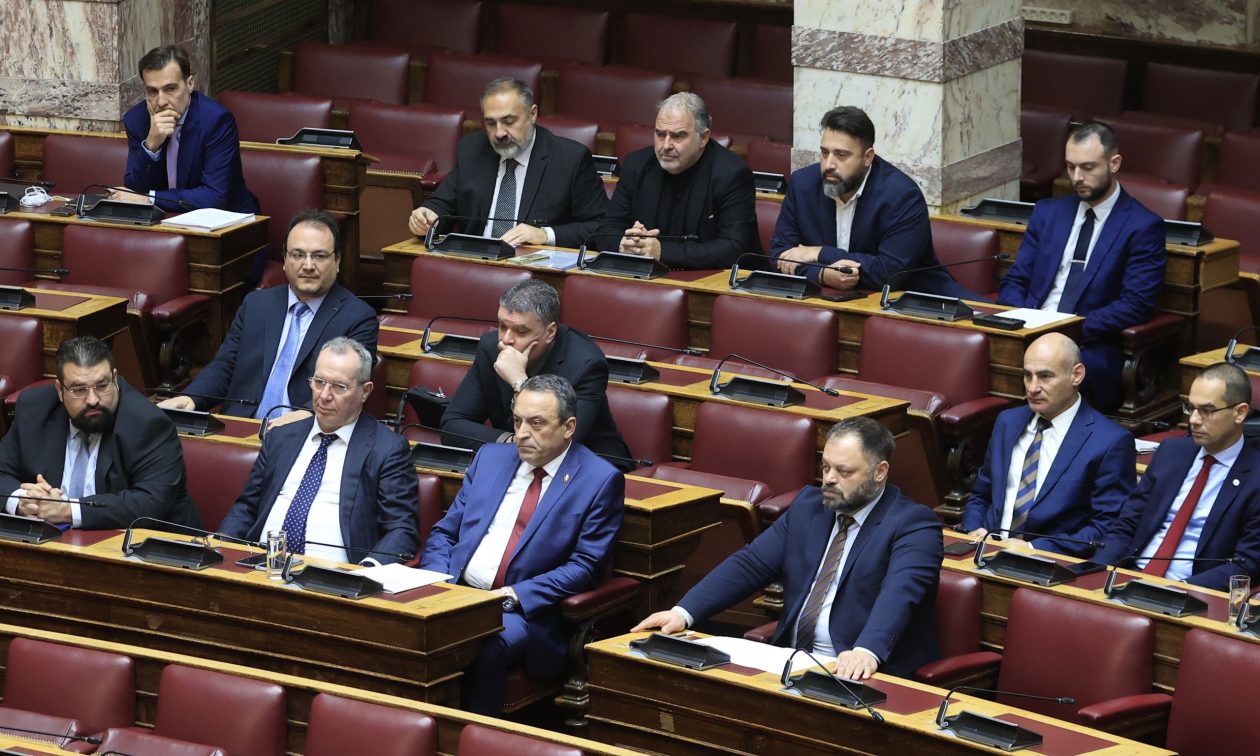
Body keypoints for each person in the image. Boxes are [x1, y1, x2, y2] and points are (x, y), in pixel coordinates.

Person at [633, 416, 942, 680]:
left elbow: (900, 593)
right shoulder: (809, 506)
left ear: (880, 471)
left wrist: (867, 650)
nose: (829, 480)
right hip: (791, 661)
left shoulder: (913, 524)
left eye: (844, 471)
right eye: (826, 467)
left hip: (862, 671)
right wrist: (683, 613)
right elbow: (751, 564)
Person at [421, 375, 624, 714]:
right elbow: (445, 533)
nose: (522, 433)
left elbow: (586, 567)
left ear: (568, 427)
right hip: (456, 593)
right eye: (517, 421)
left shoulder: (598, 480)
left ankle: (473, 733)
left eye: (536, 423)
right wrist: (437, 582)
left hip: (524, 612)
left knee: (482, 643)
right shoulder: (490, 458)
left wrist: (515, 595)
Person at [998, 121, 1166, 412]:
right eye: (1070, 167)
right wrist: (1020, 322)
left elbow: (1136, 303)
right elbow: (1016, 279)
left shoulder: (1142, 226)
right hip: (1027, 334)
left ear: (1114, 163)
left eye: (1088, 167)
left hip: (1089, 345)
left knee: (1043, 378)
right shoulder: (1048, 213)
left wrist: (1067, 332)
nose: (1077, 177)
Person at [159, 210, 377, 419]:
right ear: (285, 260)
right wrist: (191, 398)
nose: (308, 265)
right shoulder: (256, 304)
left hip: (306, 431)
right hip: (244, 428)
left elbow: (349, 387)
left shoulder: (357, 318)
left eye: (319, 256)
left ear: (337, 261)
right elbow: (225, 365)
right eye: (298, 255)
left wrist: (308, 416)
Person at [218, 338, 418, 565]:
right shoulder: (281, 437)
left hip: (332, 574)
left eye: (339, 387)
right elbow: (247, 508)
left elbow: (402, 529)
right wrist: (221, 546)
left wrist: (366, 571)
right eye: (319, 382)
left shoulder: (387, 449)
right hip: (262, 565)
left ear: (365, 391)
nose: (324, 395)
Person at [771, 106, 975, 298]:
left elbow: (889, 273)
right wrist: (822, 274)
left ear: (867, 157)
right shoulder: (803, 185)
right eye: (825, 153)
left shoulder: (902, 196)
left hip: (915, 302)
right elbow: (780, 256)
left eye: (841, 155)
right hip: (828, 300)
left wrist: (818, 252)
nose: (828, 164)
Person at [961, 333, 1135, 557]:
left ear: (1076, 375)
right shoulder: (1007, 422)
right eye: (1028, 375)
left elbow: (1105, 528)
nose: (1033, 388)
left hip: (1047, 563)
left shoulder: (1110, 442)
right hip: (982, 551)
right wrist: (974, 529)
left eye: (1045, 376)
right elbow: (981, 495)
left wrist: (1034, 549)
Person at [0, 337, 199, 530]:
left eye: (102, 386)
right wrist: (23, 500)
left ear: (115, 379)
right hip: (52, 544)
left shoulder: (148, 424)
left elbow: (150, 502)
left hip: (144, 546)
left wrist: (67, 510)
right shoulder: (35, 410)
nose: (93, 400)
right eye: (79, 389)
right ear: (60, 390)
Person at [1095, 363, 1260, 589]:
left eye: (1207, 410)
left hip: (1191, 592)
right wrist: (1096, 572)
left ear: (1239, 412)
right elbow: (1126, 525)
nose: (1194, 420)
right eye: (1191, 408)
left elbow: (1246, 564)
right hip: (1130, 578)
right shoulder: (1171, 452)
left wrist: (1177, 591)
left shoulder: (1255, 478)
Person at [440, 279, 632, 470]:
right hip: (519, 467)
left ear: (550, 332)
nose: (506, 339)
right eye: (502, 326)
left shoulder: (585, 364)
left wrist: (519, 382)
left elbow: (558, 446)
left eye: (521, 331)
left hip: (589, 470)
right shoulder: (491, 349)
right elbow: (452, 425)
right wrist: (511, 441)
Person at [407, 77, 607, 248]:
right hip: (474, 261)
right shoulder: (472, 149)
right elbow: (443, 203)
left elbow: (602, 227)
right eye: (490, 123)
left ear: (532, 114)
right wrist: (428, 216)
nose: (499, 133)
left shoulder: (570, 159)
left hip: (533, 269)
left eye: (509, 121)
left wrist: (545, 235)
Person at [595, 92, 760, 270]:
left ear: (703, 137)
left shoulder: (731, 174)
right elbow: (606, 230)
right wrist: (625, 243)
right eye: (660, 134)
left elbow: (735, 248)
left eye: (678, 136)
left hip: (708, 279)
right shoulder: (637, 165)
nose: (666, 145)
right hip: (644, 276)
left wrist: (662, 252)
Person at [116, 45, 258, 214]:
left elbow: (214, 196)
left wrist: (151, 199)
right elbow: (133, 191)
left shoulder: (216, 121)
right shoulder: (137, 120)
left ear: (190, 84)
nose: (161, 102)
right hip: (164, 221)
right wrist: (151, 145)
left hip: (227, 220)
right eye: (152, 91)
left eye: (170, 89)